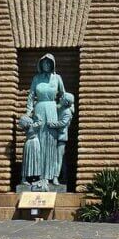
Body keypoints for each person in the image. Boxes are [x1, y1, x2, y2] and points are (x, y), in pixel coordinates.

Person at [26, 54, 65, 188]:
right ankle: (37, 175)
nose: (46, 65)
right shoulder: (36, 78)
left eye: (49, 63)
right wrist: (28, 113)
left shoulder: (57, 78)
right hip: (39, 111)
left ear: (52, 64)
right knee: (38, 144)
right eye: (44, 63)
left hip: (52, 110)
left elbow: (63, 96)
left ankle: (52, 176)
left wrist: (63, 111)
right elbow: (31, 96)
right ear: (41, 65)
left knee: (51, 144)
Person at [48, 93, 76, 186]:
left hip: (61, 137)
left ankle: (56, 177)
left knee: (59, 159)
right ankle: (58, 176)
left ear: (66, 102)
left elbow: (63, 123)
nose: (60, 98)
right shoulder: (61, 108)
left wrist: (52, 124)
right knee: (57, 158)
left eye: (62, 98)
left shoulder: (67, 112)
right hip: (55, 136)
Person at [17, 114, 43, 185]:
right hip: (34, 143)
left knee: (28, 161)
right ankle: (34, 178)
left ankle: (25, 178)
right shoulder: (32, 126)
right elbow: (40, 122)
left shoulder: (26, 128)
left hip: (28, 143)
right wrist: (37, 114)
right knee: (34, 160)